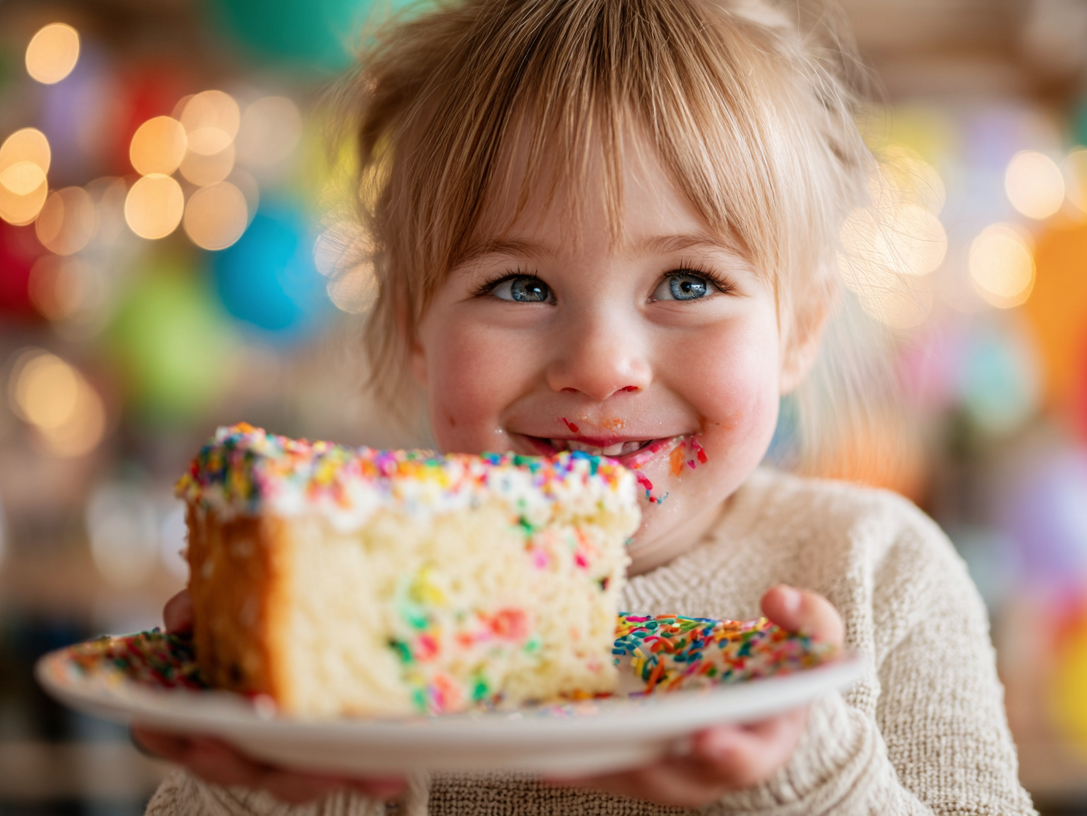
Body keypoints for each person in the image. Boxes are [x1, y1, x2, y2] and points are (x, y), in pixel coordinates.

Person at [136, 0, 1037, 813]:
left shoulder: (882, 570)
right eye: (519, 285)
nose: (602, 367)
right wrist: (271, 766)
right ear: (416, 325)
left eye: (688, 280)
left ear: (798, 330)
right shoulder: (339, 580)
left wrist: (811, 777)